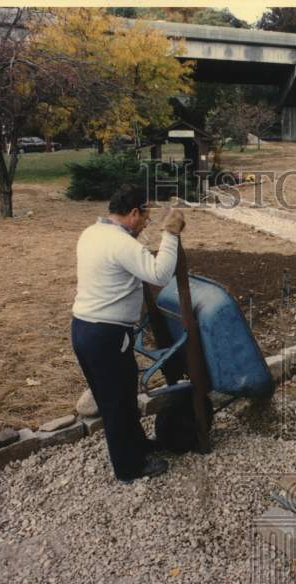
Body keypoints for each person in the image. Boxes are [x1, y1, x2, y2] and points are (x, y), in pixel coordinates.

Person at [71, 184, 185, 482]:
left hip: (85, 329)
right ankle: (129, 468)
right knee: (117, 403)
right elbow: (160, 274)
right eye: (145, 216)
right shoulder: (121, 244)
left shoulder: (92, 233)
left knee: (121, 396)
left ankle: (136, 446)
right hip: (105, 335)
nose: (147, 222)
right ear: (133, 212)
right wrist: (171, 234)